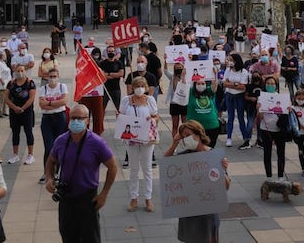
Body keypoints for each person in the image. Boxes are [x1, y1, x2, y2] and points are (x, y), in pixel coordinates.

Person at [45, 105, 118, 243]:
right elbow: (50, 161)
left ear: (87, 121)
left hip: (87, 198)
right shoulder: (61, 140)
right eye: (73, 118)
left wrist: (104, 194)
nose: (75, 121)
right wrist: (49, 178)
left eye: (80, 118)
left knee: (90, 238)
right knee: (67, 236)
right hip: (66, 198)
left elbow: (113, 167)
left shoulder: (97, 143)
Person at [164, 121, 231, 243]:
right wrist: (174, 143)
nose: (185, 139)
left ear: (199, 135)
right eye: (183, 137)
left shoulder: (213, 156)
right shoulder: (184, 156)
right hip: (189, 210)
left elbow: (226, 186)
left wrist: (222, 170)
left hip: (208, 211)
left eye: (188, 135)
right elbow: (166, 166)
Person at [119, 77, 159, 212]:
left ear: (146, 87)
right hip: (131, 139)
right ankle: (133, 198)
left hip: (146, 138)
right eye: (137, 85)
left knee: (147, 168)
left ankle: (148, 198)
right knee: (134, 169)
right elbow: (121, 116)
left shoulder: (150, 100)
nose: (139, 88)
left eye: (142, 85)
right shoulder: (126, 100)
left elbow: (156, 116)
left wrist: (152, 119)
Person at [38, 68, 68, 183]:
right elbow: (41, 104)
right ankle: (47, 172)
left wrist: (49, 103)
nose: (52, 79)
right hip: (47, 120)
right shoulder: (43, 89)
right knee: (49, 147)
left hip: (60, 118)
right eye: (50, 76)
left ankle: (58, 172)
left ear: (58, 77)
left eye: (54, 76)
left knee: (60, 146)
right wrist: (55, 104)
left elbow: (64, 101)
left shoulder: (62, 87)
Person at [4, 65, 37, 165]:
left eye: (22, 70)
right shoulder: (11, 83)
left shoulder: (30, 83)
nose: (20, 72)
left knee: (28, 132)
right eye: (18, 70)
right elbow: (6, 98)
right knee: (15, 132)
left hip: (26, 112)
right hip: (14, 112)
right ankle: (15, 154)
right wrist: (14, 107)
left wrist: (22, 108)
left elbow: (31, 98)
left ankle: (30, 155)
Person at [257, 77, 287, 178]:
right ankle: (269, 176)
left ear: (276, 85)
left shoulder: (281, 97)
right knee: (267, 154)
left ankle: (281, 176)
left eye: (273, 83)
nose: (270, 85)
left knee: (281, 154)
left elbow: (285, 113)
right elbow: (259, 118)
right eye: (268, 83)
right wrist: (259, 109)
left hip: (279, 130)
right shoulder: (261, 98)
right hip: (266, 129)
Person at [222, 53, 251, 148]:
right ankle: (229, 137)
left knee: (241, 117)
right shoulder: (228, 70)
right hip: (229, 96)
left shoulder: (244, 72)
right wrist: (235, 84)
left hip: (239, 97)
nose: (229, 62)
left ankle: (245, 137)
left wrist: (231, 84)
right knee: (230, 117)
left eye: (231, 60)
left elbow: (243, 86)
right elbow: (224, 83)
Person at [187, 70, 222, 147]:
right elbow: (182, 87)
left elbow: (214, 85)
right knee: (196, 149)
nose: (201, 85)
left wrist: (215, 74)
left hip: (212, 127)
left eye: (203, 83)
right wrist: (184, 76)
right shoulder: (190, 92)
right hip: (195, 128)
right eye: (198, 83)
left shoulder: (209, 92)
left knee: (209, 150)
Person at [100, 45, 125, 114]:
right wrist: (115, 75)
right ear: (106, 52)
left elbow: (121, 74)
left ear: (115, 52)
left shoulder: (119, 63)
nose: (111, 53)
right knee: (102, 108)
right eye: (109, 51)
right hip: (105, 89)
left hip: (116, 89)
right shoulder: (102, 63)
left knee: (118, 109)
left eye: (112, 51)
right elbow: (102, 76)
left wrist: (108, 74)